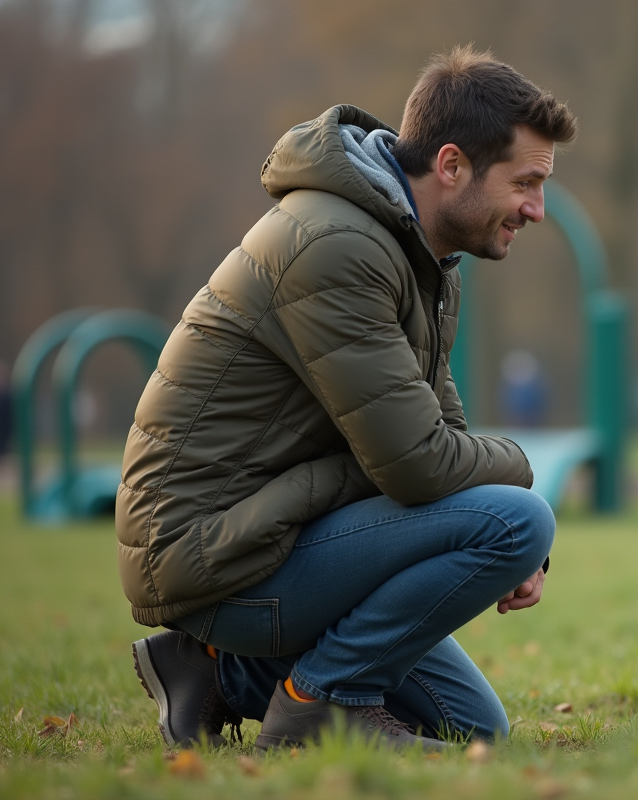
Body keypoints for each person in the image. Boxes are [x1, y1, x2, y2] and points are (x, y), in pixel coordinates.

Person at [118, 47, 577, 753]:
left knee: (474, 726)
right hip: (212, 551)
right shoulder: (336, 247)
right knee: (515, 520)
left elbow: (439, 425)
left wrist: (517, 530)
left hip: (279, 526)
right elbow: (418, 464)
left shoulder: (417, 251)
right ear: (451, 165)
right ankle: (321, 705)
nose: (537, 210)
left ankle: (219, 674)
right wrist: (518, 478)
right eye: (526, 183)